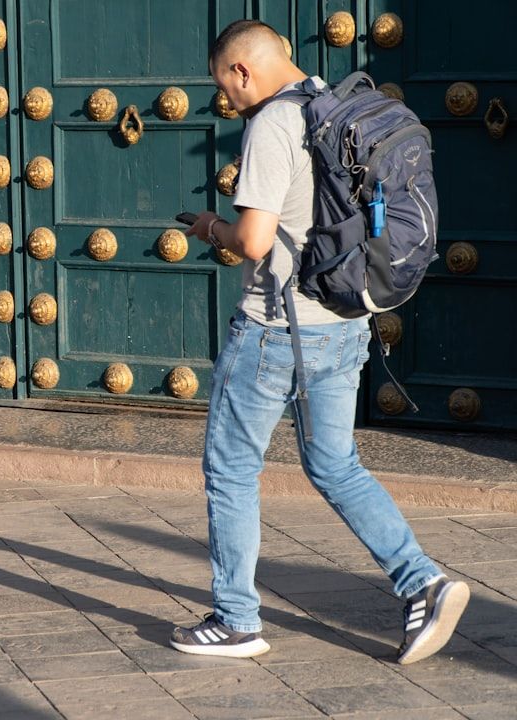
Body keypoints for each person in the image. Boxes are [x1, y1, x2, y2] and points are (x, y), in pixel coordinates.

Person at [169, 20, 468, 664]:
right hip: (344, 323)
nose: (224, 97)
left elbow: (252, 240)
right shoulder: (335, 107)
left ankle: (237, 620)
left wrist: (209, 226)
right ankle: (424, 582)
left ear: (241, 71)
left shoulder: (273, 124)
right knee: (336, 465)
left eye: (222, 82)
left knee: (231, 471)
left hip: (275, 330)